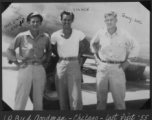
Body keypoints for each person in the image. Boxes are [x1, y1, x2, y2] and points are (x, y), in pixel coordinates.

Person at [90, 11, 140, 110]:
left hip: (117, 68)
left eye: (111, 20)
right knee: (100, 100)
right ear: (105, 21)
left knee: (119, 101)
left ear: (116, 20)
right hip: (102, 68)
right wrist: (96, 58)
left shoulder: (124, 34)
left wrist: (128, 61)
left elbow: (136, 46)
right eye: (107, 20)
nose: (109, 22)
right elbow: (92, 44)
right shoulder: (100, 33)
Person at [7, 11, 52, 110]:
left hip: (40, 69)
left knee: (38, 100)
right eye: (33, 21)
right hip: (25, 68)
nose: (35, 24)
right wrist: (17, 64)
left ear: (40, 23)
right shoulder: (21, 36)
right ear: (29, 22)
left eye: (37, 22)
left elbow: (49, 51)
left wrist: (46, 62)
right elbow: (10, 50)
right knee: (21, 98)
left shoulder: (45, 37)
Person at [50, 10, 89, 110]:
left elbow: (87, 44)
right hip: (61, 65)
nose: (66, 22)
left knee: (76, 97)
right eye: (64, 19)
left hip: (74, 64)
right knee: (62, 96)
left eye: (69, 20)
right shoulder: (55, 35)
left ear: (72, 21)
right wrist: (60, 56)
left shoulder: (78, 33)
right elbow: (53, 47)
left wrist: (80, 54)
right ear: (61, 20)